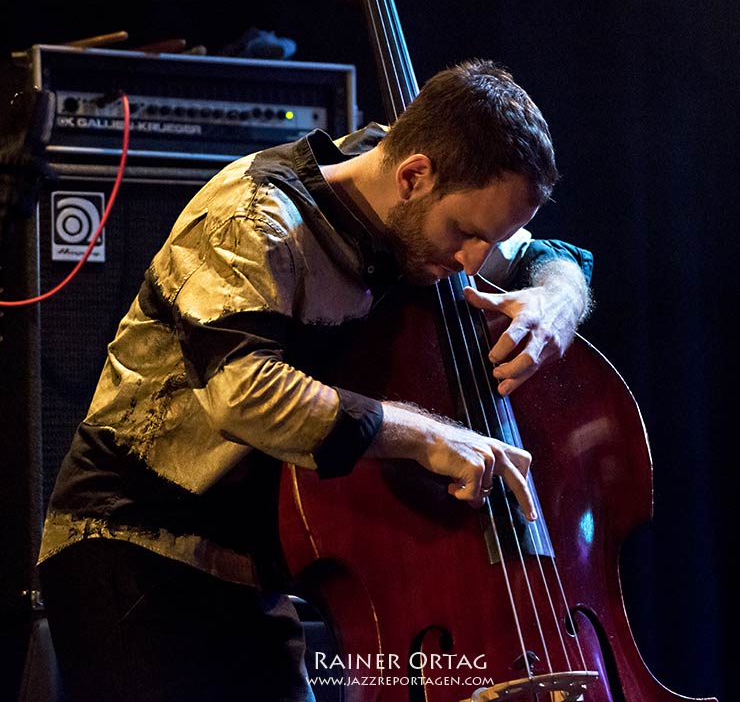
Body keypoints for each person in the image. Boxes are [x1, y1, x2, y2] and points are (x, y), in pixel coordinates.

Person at [37, 59, 593, 701]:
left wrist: (558, 301)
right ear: (413, 175)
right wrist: (429, 436)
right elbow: (246, 393)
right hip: (131, 548)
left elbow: (549, 256)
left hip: (251, 575)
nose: (474, 261)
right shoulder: (255, 219)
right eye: (465, 234)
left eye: (487, 239)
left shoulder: (418, 188)